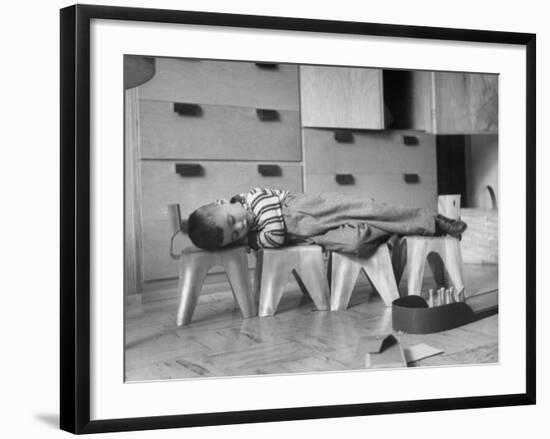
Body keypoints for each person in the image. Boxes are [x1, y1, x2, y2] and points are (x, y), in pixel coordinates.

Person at [187, 187, 467, 257]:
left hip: (311, 210)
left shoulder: (253, 197)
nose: (240, 227)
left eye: (232, 220)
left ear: (225, 203)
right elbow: (273, 237)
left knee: (368, 210)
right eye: (234, 235)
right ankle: (390, 234)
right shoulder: (251, 225)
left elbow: (273, 234)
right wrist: (257, 241)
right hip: (310, 236)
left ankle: (433, 221)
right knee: (356, 242)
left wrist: (253, 241)